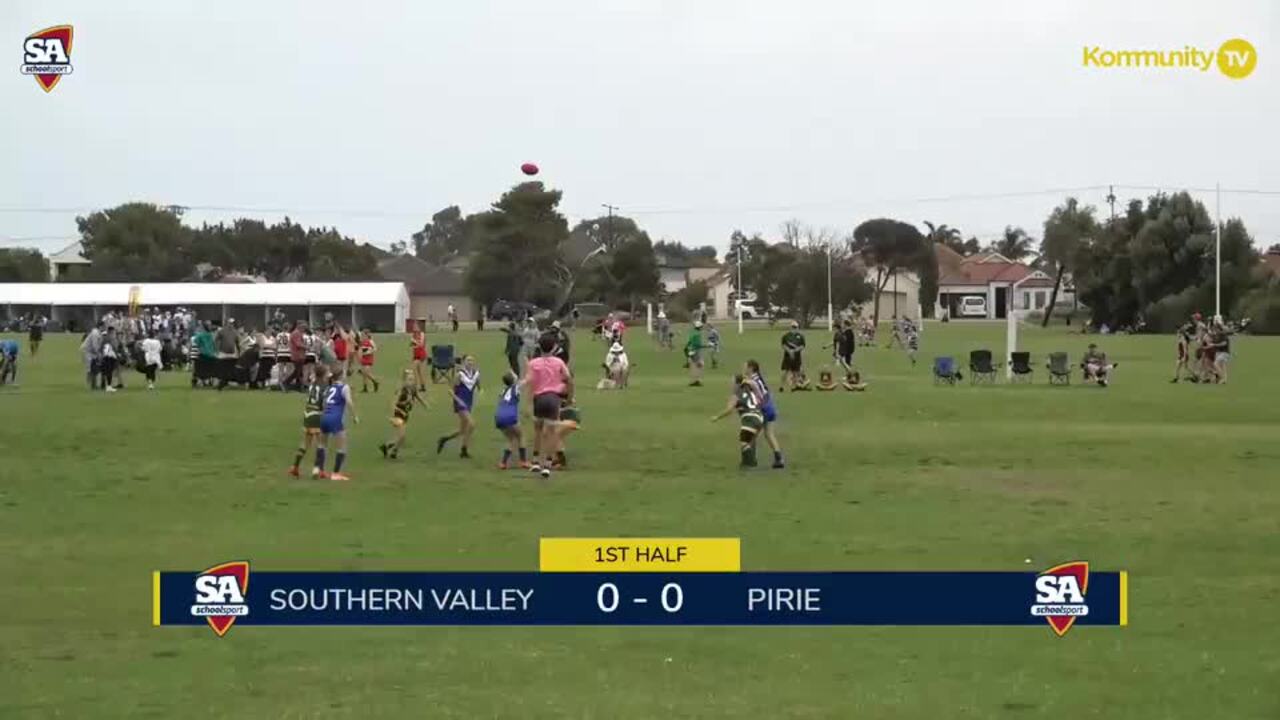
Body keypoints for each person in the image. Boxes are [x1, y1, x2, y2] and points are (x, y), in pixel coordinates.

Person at [522, 335, 574, 479]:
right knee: (551, 432)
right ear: (554, 347)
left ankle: (535, 461)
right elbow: (569, 379)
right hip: (553, 398)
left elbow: (529, 382)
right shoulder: (558, 362)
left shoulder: (533, 363)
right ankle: (547, 464)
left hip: (538, 399)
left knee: (537, 431)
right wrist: (569, 398)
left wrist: (527, 404)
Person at [711, 374, 765, 468]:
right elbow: (759, 401)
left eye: (732, 382)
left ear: (737, 383)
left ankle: (750, 463)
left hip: (749, 418)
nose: (730, 385)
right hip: (759, 417)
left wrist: (717, 417)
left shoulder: (736, 394)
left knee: (744, 442)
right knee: (750, 441)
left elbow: (729, 410)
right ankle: (749, 461)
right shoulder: (750, 391)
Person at [317, 369, 359, 481]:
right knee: (342, 447)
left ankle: (320, 470)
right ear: (341, 376)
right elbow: (349, 401)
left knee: (322, 445)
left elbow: (324, 403)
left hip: (324, 417)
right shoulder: (344, 387)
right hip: (335, 418)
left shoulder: (329, 388)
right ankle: (336, 474)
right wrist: (355, 416)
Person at [289, 365, 330, 478]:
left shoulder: (312, 385)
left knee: (306, 443)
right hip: (317, 415)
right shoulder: (325, 386)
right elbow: (323, 403)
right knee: (321, 443)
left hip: (308, 414)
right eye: (327, 373)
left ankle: (295, 467)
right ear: (324, 374)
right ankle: (317, 470)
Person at [437, 355, 479, 458]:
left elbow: (477, 386)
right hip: (460, 403)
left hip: (469, 402)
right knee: (472, 424)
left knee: (462, 430)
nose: (470, 362)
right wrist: (459, 400)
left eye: (472, 360)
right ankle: (464, 450)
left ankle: (444, 439)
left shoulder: (476, 374)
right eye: (468, 360)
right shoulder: (459, 374)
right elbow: (450, 391)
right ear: (463, 362)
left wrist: (480, 392)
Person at [745, 359, 785, 468]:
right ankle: (779, 458)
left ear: (751, 368)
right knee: (769, 434)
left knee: (752, 434)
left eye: (746, 367)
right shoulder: (758, 378)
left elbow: (755, 396)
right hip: (770, 406)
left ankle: (750, 460)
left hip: (764, 408)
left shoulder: (751, 380)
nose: (744, 369)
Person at [380, 370, 428, 460]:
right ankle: (394, 452)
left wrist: (425, 404)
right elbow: (392, 404)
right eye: (409, 379)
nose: (411, 381)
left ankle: (386, 446)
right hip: (398, 414)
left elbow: (417, 396)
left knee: (401, 438)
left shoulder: (413, 389)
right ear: (404, 380)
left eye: (412, 379)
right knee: (402, 437)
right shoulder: (401, 390)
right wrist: (400, 411)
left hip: (406, 414)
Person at [494, 371, 528, 469]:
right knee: (521, 436)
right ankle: (523, 461)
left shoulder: (503, 390)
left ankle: (503, 463)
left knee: (510, 439)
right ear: (513, 380)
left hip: (499, 416)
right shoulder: (516, 387)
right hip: (510, 416)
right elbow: (527, 380)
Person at [780, 321, 806, 391]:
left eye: (795, 327)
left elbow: (802, 346)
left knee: (796, 372)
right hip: (787, 356)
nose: (794, 328)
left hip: (797, 357)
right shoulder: (786, 336)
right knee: (785, 371)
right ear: (790, 327)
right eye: (793, 327)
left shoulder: (800, 336)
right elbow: (783, 345)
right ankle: (782, 386)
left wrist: (795, 351)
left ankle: (793, 386)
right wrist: (789, 351)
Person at [81, 321, 105, 390]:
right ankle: (91, 384)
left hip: (91, 352)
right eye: (103, 326)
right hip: (87, 351)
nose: (104, 328)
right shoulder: (95, 333)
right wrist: (99, 355)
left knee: (94, 367)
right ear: (100, 326)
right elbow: (95, 346)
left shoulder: (98, 333)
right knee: (91, 368)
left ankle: (93, 384)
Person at [1171, 318, 1197, 383]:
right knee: (1181, 366)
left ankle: (1194, 376)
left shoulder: (1183, 339)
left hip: (1184, 355)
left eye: (1177, 332)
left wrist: (1184, 356)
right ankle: (1176, 378)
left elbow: (1185, 348)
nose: (1177, 333)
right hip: (1181, 354)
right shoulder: (1180, 338)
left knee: (1183, 366)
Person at [684, 322, 705, 386]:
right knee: (699, 365)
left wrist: (686, 347)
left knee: (694, 365)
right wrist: (707, 345)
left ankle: (694, 380)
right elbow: (698, 345)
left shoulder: (692, 332)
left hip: (691, 350)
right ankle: (696, 380)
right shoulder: (698, 334)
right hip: (696, 351)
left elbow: (689, 342)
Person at [100, 327, 120, 392]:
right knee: (109, 371)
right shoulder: (112, 338)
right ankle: (108, 386)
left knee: (106, 371)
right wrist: (117, 354)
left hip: (105, 356)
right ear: (111, 331)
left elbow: (101, 347)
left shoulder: (104, 338)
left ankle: (106, 385)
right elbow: (115, 347)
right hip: (110, 356)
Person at [410, 321, 427, 389]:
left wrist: (415, 342)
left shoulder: (422, 334)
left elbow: (421, 344)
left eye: (415, 327)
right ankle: (421, 386)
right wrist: (413, 344)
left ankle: (417, 386)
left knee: (416, 370)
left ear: (419, 327)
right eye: (413, 327)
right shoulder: (413, 335)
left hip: (421, 354)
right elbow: (411, 346)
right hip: (416, 354)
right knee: (417, 371)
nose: (414, 328)